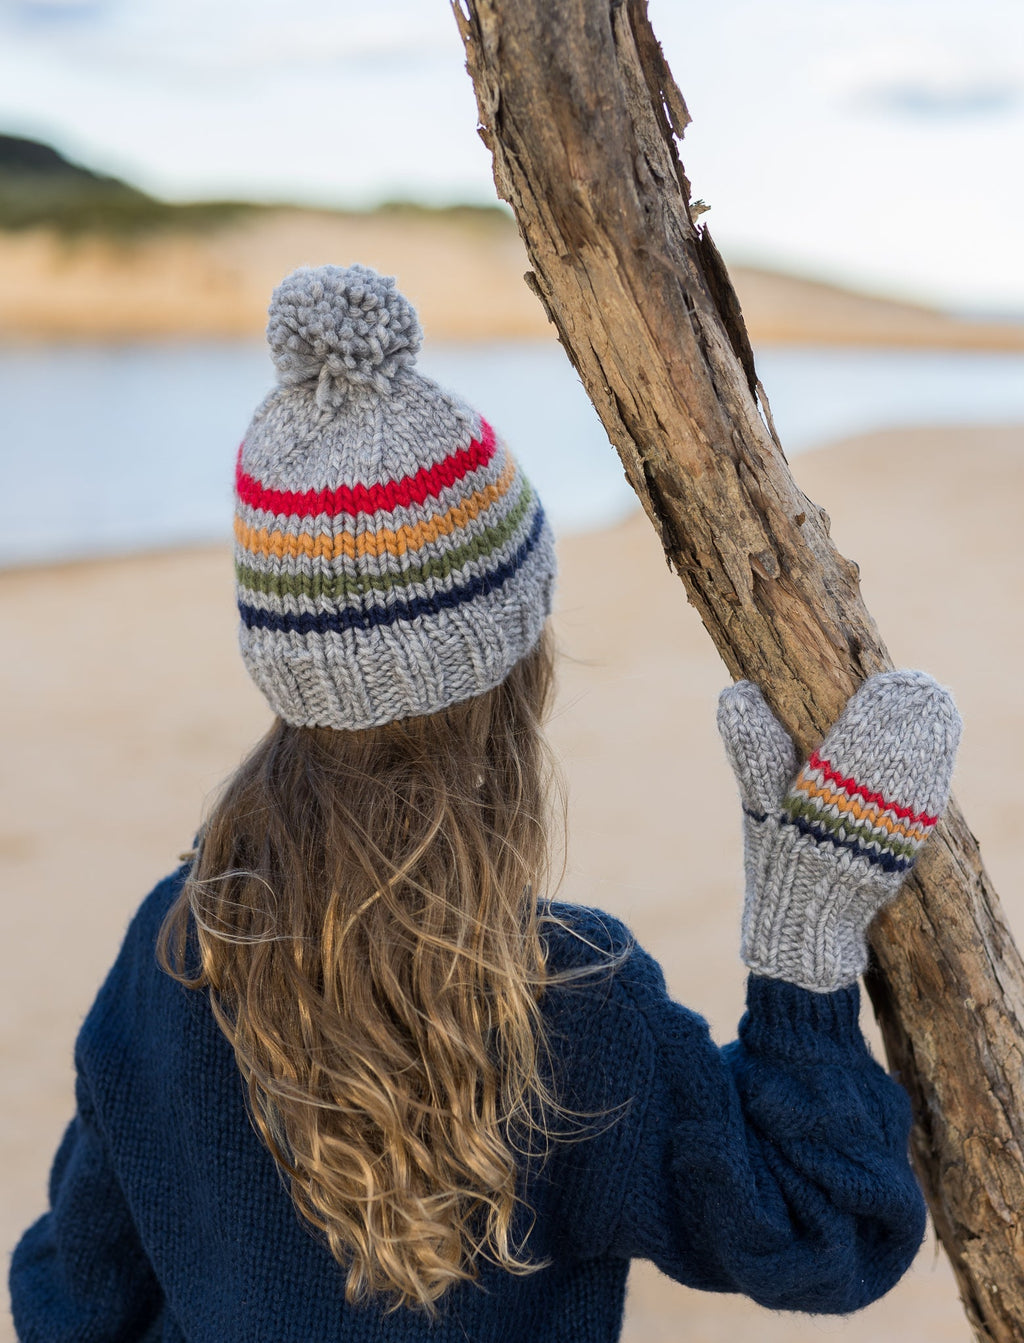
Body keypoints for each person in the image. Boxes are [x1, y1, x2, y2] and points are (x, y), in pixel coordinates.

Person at [9, 264, 962, 1343]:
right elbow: (830, 1230)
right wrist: (802, 944)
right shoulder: (574, 1006)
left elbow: (69, 1297)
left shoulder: (177, 945)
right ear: (519, 669)